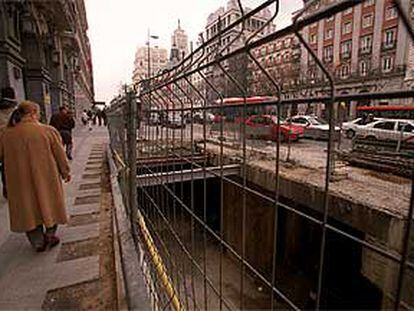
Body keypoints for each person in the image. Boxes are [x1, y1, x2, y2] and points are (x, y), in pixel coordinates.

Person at [0, 101, 71, 252]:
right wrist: (65, 172)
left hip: (19, 181)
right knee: (50, 203)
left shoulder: (7, 134)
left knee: (28, 209)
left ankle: (38, 242)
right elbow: (60, 155)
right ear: (33, 113)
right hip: (47, 177)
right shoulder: (47, 131)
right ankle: (50, 235)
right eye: (38, 112)